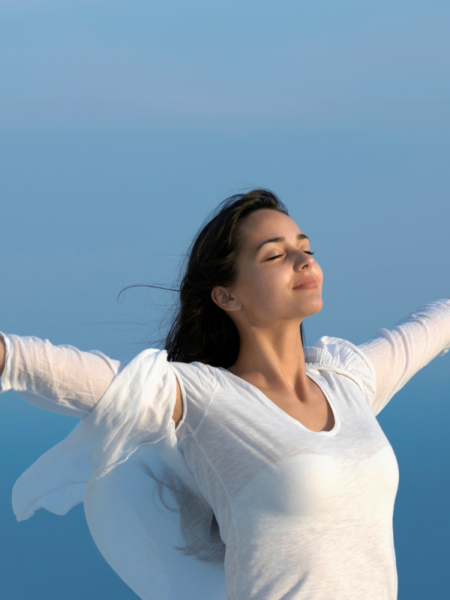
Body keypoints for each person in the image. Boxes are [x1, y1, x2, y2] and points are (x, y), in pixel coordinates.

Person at [1, 189, 449, 600]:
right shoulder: (203, 398)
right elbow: (45, 366)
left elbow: (438, 322)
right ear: (226, 296)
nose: (303, 260)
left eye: (306, 248)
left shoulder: (348, 380)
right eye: (275, 255)